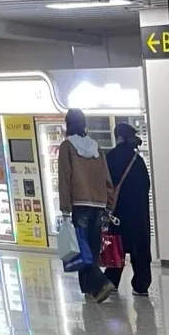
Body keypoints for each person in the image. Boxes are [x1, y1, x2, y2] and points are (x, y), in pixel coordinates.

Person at [57, 109, 114, 303]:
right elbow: (107, 178)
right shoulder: (96, 147)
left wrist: (65, 208)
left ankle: (100, 283)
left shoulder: (67, 147)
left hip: (79, 204)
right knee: (92, 247)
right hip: (98, 204)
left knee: (82, 250)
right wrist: (109, 204)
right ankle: (91, 291)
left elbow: (65, 178)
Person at [104, 122, 153, 298]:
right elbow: (146, 186)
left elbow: (106, 185)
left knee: (116, 248)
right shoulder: (137, 160)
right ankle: (141, 285)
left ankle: (111, 282)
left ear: (118, 137)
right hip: (139, 214)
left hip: (118, 214)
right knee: (140, 250)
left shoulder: (109, 158)